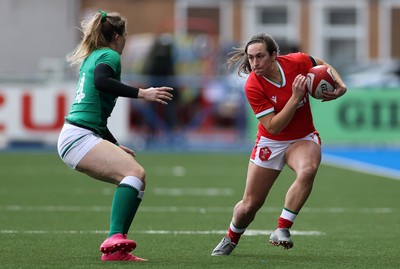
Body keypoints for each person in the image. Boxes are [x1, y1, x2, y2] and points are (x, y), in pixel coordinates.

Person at [211, 33, 347, 256]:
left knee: (308, 170)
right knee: (250, 205)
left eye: (260, 56)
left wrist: (341, 86)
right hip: (271, 142)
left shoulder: (297, 62)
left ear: (274, 55)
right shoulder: (253, 85)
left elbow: (322, 65)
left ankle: (282, 228)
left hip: (302, 137)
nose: (255, 63)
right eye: (251, 58)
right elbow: (274, 127)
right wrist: (295, 98)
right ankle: (231, 237)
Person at [57, 11, 173, 262]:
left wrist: (114, 145)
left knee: (136, 179)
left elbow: (95, 114)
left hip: (80, 134)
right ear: (118, 37)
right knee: (135, 174)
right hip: (79, 136)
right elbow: (101, 82)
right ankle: (114, 238)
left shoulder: (94, 56)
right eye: (126, 36)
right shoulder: (109, 55)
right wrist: (143, 93)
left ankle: (117, 249)